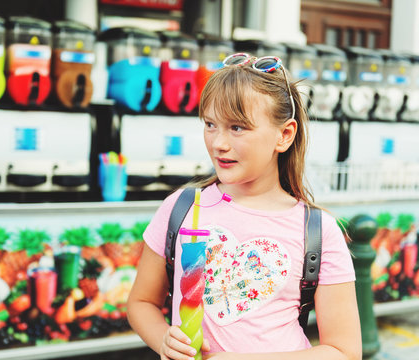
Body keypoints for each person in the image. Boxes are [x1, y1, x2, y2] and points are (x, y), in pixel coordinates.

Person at [127, 53, 361, 360]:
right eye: (210, 124)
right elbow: (141, 303)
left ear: (284, 134)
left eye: (237, 128)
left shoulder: (316, 231)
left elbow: (345, 352)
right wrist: (163, 340)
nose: (218, 143)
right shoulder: (182, 207)